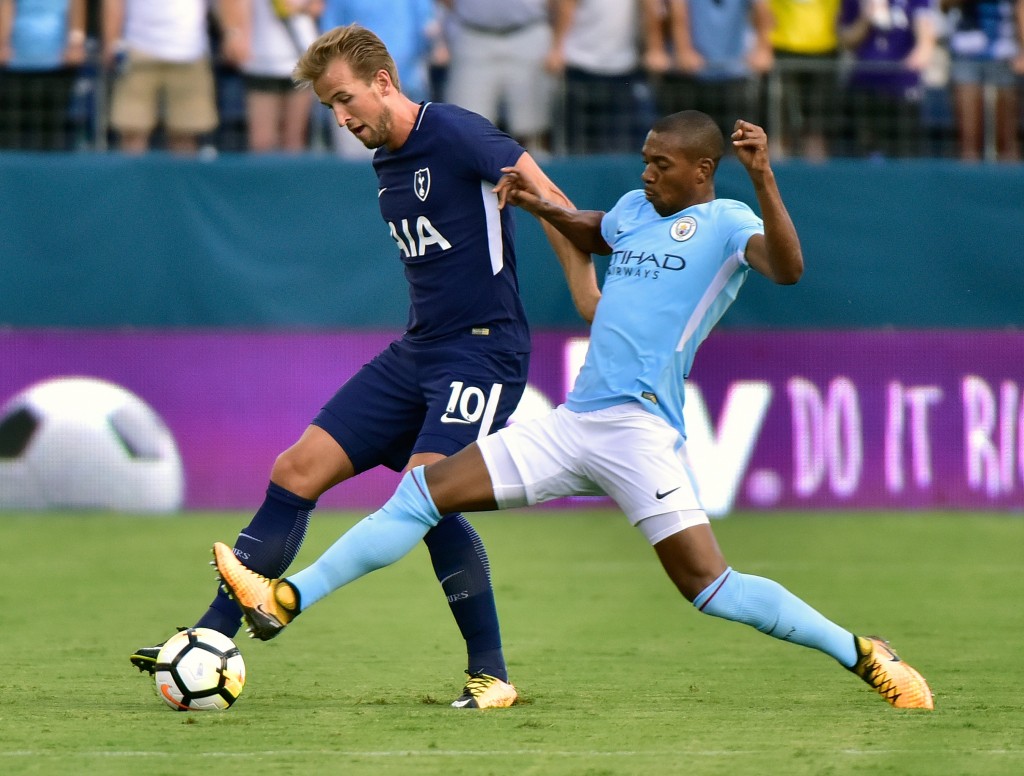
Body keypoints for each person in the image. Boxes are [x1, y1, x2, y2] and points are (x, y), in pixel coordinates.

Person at [211, 110, 935, 711]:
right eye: (645, 160)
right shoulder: (633, 211)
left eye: (661, 164)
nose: (646, 173)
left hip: (640, 433)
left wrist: (766, 175)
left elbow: (788, 267)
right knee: (424, 492)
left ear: (701, 170)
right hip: (574, 422)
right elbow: (595, 230)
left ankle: (864, 653)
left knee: (710, 588)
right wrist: (539, 205)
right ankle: (284, 598)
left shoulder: (725, 220)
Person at [130, 23, 597, 711]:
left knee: (424, 495)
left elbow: (548, 195)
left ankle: (490, 675)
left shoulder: (458, 133)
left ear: (385, 82)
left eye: (346, 100)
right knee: (296, 471)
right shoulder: (386, 159)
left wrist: (588, 295)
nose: (342, 119)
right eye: (329, 108)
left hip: (483, 348)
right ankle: (207, 639)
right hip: (419, 350)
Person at [317, 0, 438, 158]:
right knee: (354, 162)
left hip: (407, 85)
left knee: (411, 159)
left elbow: (427, 29)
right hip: (353, 92)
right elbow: (329, 38)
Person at [101, 0, 218, 154]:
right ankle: (132, 178)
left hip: (189, 51)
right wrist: (112, 41)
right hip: (137, 51)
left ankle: (181, 179)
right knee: (132, 131)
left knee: (186, 133)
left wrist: (233, 32)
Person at [648, 0, 774, 141]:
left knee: (734, 143)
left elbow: (762, 8)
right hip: (690, 77)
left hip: (733, 76)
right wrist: (683, 50)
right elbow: (677, 11)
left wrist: (763, 49)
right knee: (685, 143)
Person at [440, 0, 554, 155]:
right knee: (465, 128)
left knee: (532, 131)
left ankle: (534, 177)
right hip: (473, 33)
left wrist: (558, 44)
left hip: (527, 30)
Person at [546, 0, 659, 154]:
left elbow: (650, 10)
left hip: (623, 68)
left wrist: (655, 49)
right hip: (580, 66)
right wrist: (557, 49)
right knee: (578, 145)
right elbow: (566, 7)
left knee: (620, 142)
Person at [218, 0, 323, 153]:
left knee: (294, 140)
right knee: (262, 142)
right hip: (260, 61)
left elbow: (318, 7)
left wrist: (300, 6)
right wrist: (234, 34)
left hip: (300, 58)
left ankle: (291, 177)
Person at [838, 0, 938, 158]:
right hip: (864, 86)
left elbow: (925, 40)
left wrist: (910, 66)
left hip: (902, 89)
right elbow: (846, 40)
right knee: (864, 152)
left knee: (904, 153)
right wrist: (865, 18)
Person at [0, 0, 87, 150]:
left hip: (58, 65)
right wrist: (2, 42)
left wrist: (75, 43)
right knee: (11, 135)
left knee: (52, 136)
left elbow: (77, 5)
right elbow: (6, 4)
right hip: (15, 64)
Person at [944, 0, 1024, 161]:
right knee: (969, 137)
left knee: (1006, 137)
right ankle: (967, 184)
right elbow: (944, 6)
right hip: (966, 54)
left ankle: (1009, 184)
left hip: (1005, 55)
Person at [767, 0, 842, 159]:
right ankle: (778, 167)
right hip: (784, 47)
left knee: (818, 120)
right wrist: (763, 44)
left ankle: (817, 170)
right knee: (782, 117)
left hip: (825, 49)